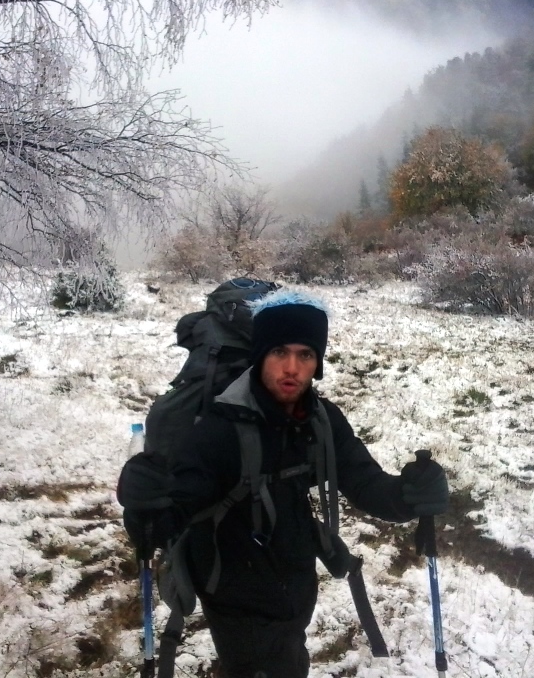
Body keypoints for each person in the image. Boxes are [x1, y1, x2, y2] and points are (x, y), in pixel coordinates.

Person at [119, 290, 449, 678]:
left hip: (295, 581)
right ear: (260, 354)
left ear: (317, 363)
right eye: (279, 352)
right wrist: (144, 504)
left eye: (305, 355)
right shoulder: (221, 428)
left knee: (290, 659)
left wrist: (409, 495)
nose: (292, 368)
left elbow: (365, 482)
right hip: (235, 593)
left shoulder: (321, 419)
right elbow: (169, 518)